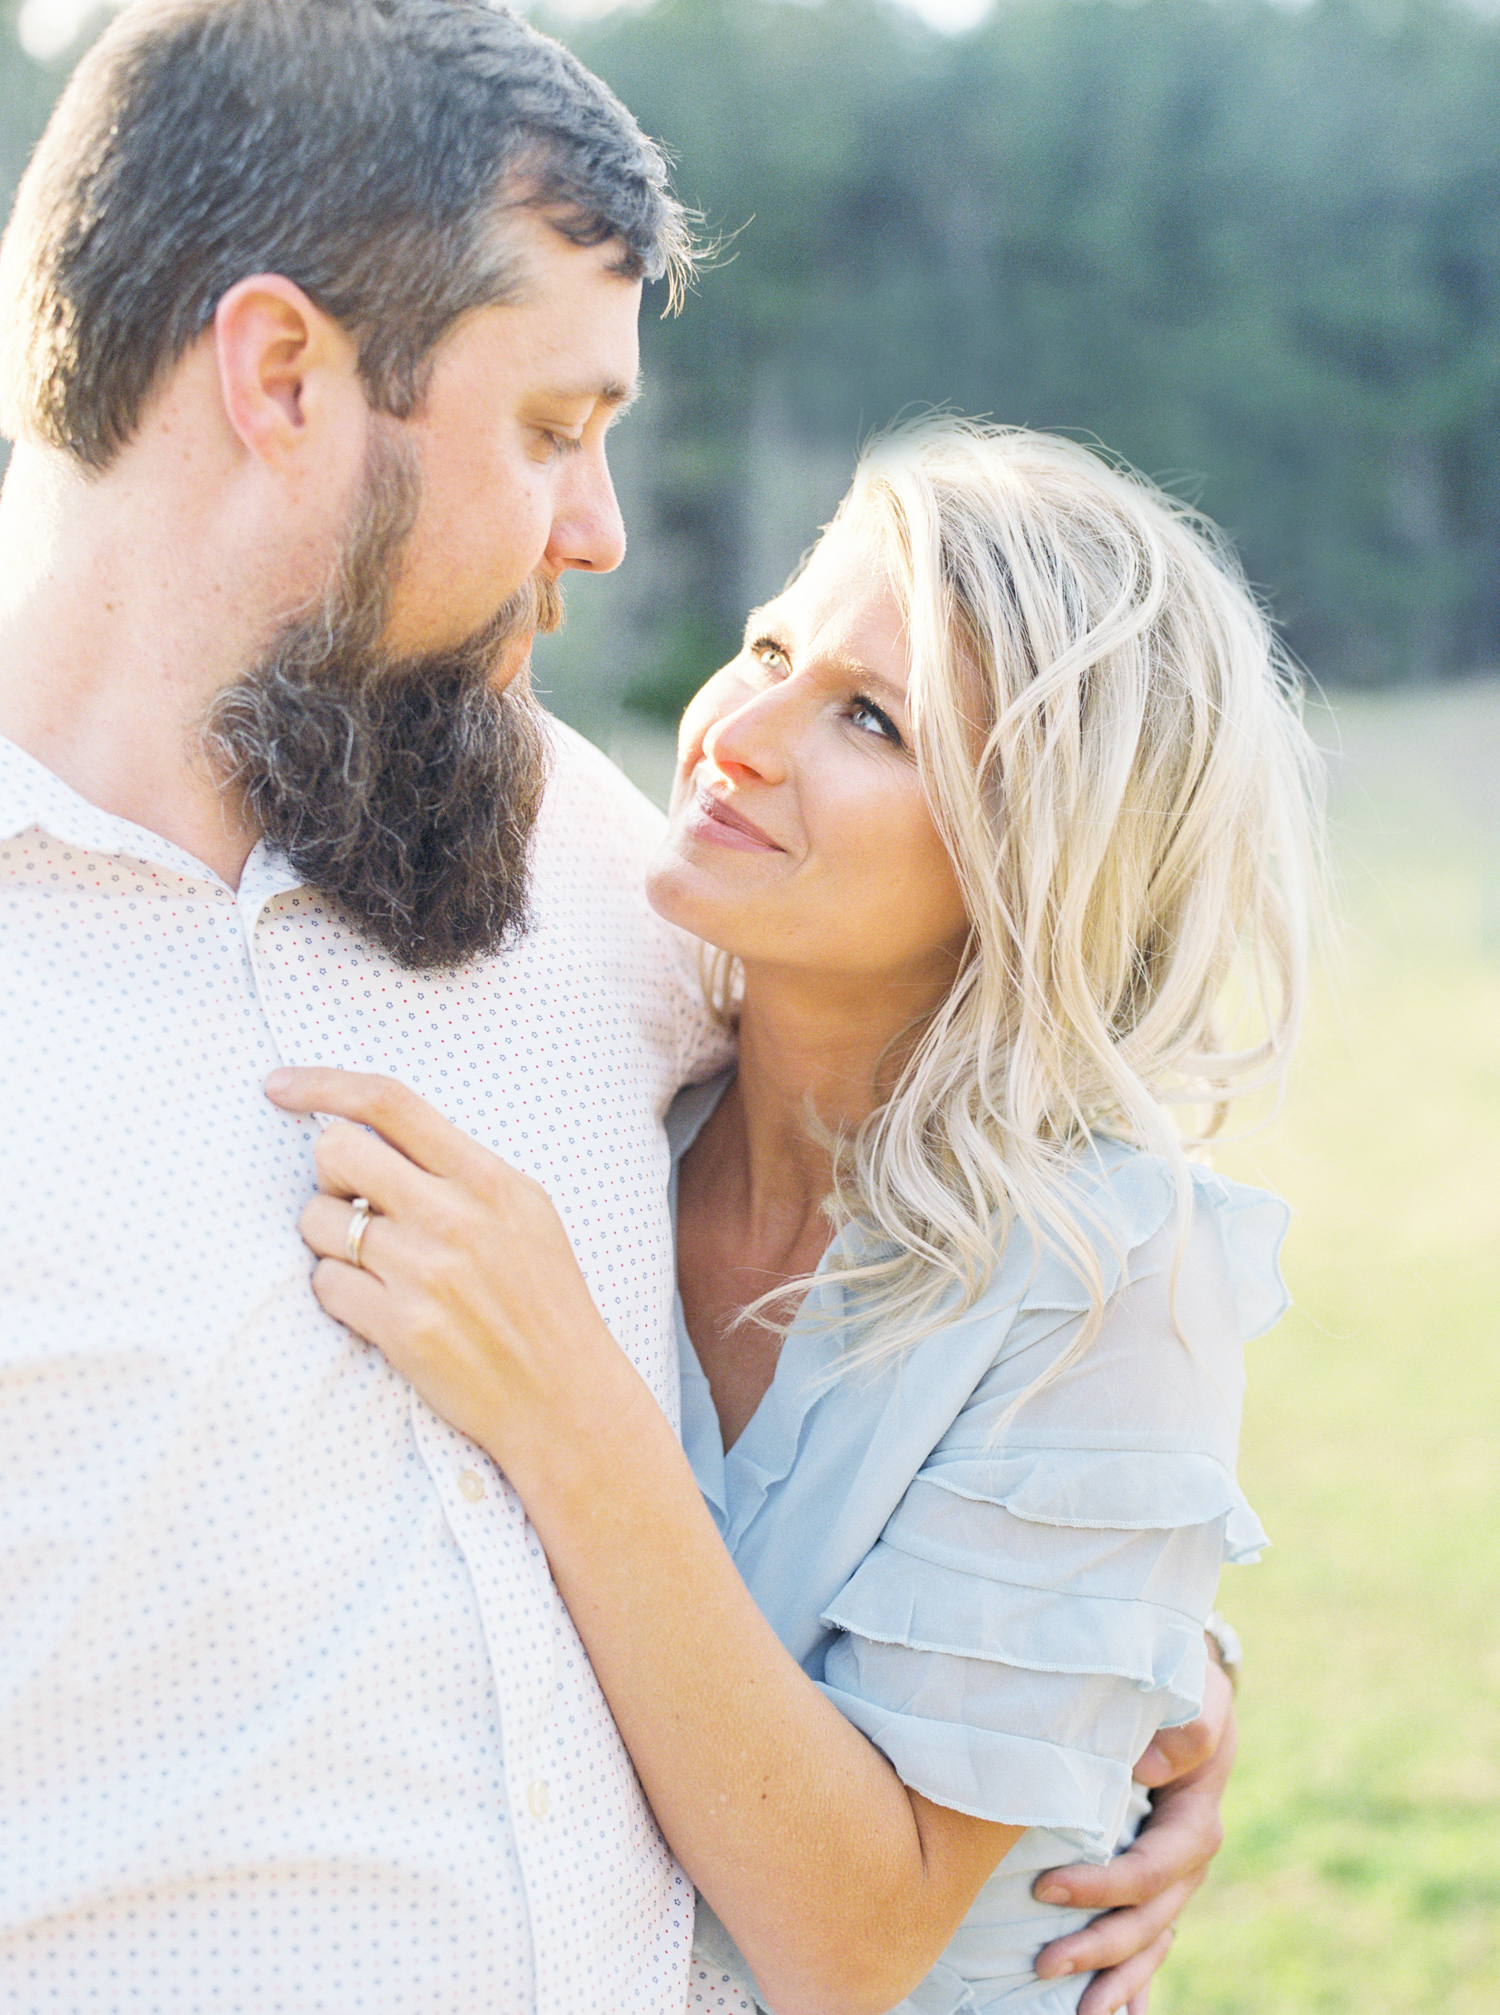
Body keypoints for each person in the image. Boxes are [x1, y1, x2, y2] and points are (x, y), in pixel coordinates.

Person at [0, 3, 1235, 2007]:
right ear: (283, 373)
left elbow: (927, 1239)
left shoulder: (581, 861)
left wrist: (1104, 1666)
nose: (605, 529)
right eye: (557, 428)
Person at [265, 420, 1323, 2015]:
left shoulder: (1116, 1266)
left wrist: (569, 1408)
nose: (738, 734)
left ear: (1030, 853)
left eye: (871, 720)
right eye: (770, 644)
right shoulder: (619, 1043)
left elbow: (848, 1947)